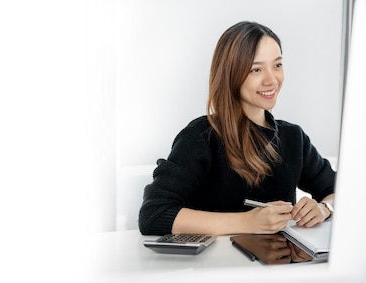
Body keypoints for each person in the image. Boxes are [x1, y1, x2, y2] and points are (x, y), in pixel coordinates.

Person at [138, 21, 336, 236]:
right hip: (216, 267)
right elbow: (154, 214)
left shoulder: (293, 138)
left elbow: (343, 191)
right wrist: (247, 222)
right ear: (231, 74)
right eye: (256, 69)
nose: (272, 80)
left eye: (277, 65)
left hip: (278, 267)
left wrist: (325, 208)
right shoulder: (201, 137)